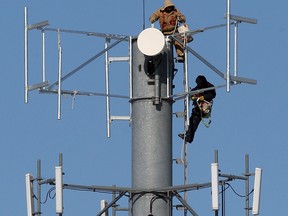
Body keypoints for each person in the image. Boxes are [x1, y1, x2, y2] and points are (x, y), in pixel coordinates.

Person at [178, 75, 216, 143]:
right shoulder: (199, 86)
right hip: (198, 107)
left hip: (204, 107)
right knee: (192, 121)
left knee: (194, 121)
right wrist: (192, 95)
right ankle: (188, 135)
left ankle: (188, 137)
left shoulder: (209, 86)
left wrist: (203, 97)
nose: (199, 85)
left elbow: (212, 95)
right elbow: (193, 91)